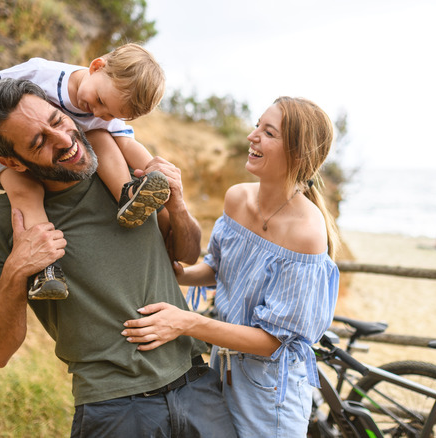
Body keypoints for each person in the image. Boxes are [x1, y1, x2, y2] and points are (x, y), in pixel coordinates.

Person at [0, 78, 236, 437]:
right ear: (12, 161)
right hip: (114, 411)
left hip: (198, 388)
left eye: (57, 121)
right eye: (38, 142)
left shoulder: (127, 177)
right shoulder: (2, 222)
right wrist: (17, 271)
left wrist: (179, 204)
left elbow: (183, 254)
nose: (62, 139)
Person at [122, 97, 341, 437]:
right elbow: (216, 268)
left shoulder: (307, 233)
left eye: (268, 132)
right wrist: (177, 273)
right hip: (221, 370)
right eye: (257, 125)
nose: (253, 136)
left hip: (270, 396)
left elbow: (272, 341)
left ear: (298, 154)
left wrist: (186, 322)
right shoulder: (237, 198)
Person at [0, 42, 169, 300]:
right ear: (96, 66)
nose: (99, 112)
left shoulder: (105, 111)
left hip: (56, 147)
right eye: (101, 102)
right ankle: (45, 270)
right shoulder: (42, 72)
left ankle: (126, 194)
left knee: (103, 135)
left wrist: (155, 169)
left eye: (111, 113)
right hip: (5, 148)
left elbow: (127, 143)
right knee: (27, 194)